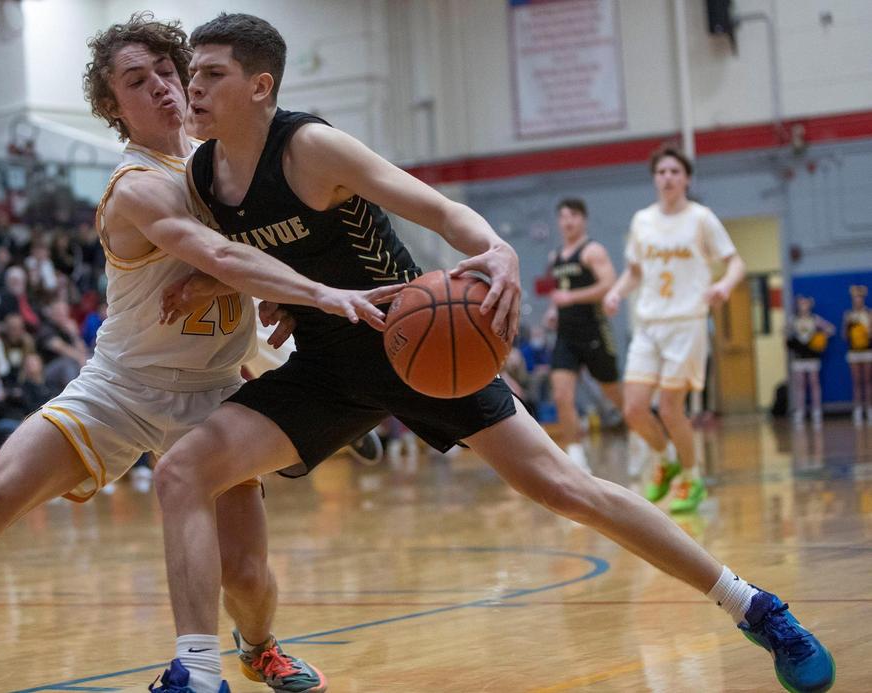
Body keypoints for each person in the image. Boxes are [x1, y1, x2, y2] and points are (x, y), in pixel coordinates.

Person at [147, 15, 834, 693]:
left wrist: (496, 250)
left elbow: (441, 212)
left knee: (568, 488)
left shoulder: (312, 148)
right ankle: (203, 669)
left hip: (414, 346)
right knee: (182, 471)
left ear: (260, 86)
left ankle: (755, 606)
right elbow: (264, 255)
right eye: (193, 74)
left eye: (213, 74)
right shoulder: (206, 175)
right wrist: (231, 282)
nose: (193, 89)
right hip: (325, 367)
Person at [0, 13, 392, 693]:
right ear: (114, 108)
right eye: (138, 82)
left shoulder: (230, 165)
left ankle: (259, 646)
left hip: (215, 391)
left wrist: (260, 284)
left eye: (168, 71)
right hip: (122, 384)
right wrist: (223, 275)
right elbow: (220, 251)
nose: (163, 88)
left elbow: (279, 236)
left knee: (249, 575)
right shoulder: (137, 183)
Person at [604, 146, 745, 513]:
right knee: (633, 408)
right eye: (661, 171)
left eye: (674, 171)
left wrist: (724, 287)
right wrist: (617, 293)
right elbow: (635, 271)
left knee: (669, 409)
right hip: (649, 323)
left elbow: (736, 262)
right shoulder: (642, 221)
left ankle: (692, 478)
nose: (667, 177)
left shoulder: (701, 219)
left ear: (686, 179)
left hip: (686, 323)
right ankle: (666, 460)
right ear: (654, 178)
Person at [544, 198, 622, 471]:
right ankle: (576, 458)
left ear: (583, 219)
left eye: (573, 215)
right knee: (561, 396)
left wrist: (571, 297)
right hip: (566, 336)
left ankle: (644, 438)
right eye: (563, 216)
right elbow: (559, 291)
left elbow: (609, 283)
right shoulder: (555, 257)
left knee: (615, 394)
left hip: (593, 331)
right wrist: (554, 309)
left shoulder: (592, 251)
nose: (568, 221)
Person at [786, 295, 834, 428]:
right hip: (799, 356)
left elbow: (830, 329)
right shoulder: (793, 320)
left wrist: (819, 338)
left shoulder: (815, 319)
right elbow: (785, 332)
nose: (803, 306)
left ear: (809, 305)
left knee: (814, 384)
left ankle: (816, 411)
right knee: (800, 385)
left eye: (805, 303)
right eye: (800, 303)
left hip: (812, 355)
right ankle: (800, 412)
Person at [844, 284, 872, 424]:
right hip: (854, 352)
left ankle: (869, 409)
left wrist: (866, 330)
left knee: (868, 381)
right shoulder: (849, 314)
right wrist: (849, 326)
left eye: (860, 297)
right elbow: (844, 336)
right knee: (857, 381)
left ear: (863, 299)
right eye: (855, 298)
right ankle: (858, 409)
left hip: (867, 351)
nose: (858, 300)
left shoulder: (869, 313)